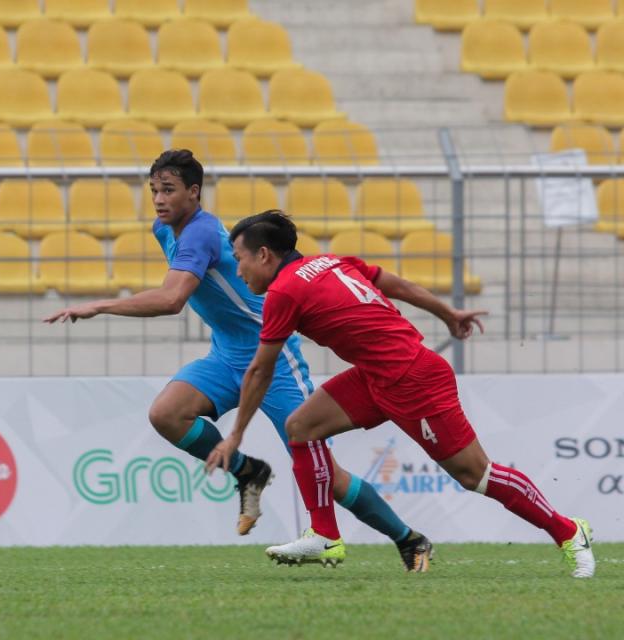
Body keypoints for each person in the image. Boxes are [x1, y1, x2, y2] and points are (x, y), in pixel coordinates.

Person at [45, 150, 433, 571]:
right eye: (154, 190)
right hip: (226, 352)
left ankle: (408, 539)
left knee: (330, 478)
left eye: (169, 190)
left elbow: (173, 298)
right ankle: (249, 473)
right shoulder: (164, 229)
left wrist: (101, 306)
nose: (158, 199)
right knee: (167, 413)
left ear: (194, 193)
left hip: (274, 356)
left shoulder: (200, 233)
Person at [208, 210, 595, 578]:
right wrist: (446, 312)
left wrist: (236, 435)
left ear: (263, 254)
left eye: (239, 258)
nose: (237, 270)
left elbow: (260, 369)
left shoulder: (284, 291)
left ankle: (567, 531)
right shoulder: (331, 261)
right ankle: (325, 536)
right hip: (376, 376)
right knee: (301, 427)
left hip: (414, 379)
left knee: (475, 475)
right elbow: (394, 283)